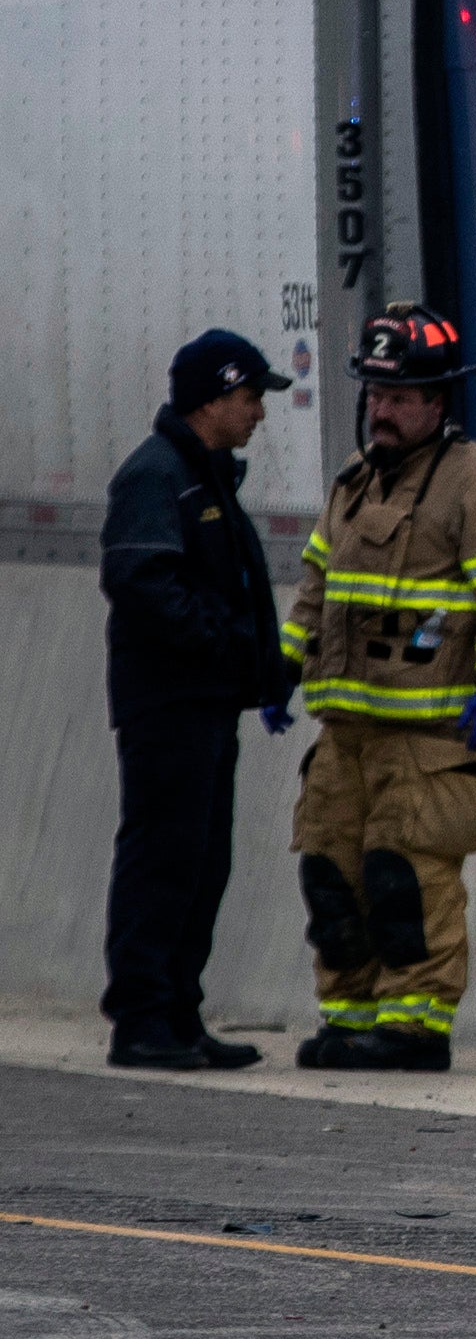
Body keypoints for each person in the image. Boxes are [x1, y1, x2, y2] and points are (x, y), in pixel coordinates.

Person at [279, 304, 476, 1072]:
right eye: (374, 394)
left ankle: (413, 1027)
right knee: (331, 877)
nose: (382, 410)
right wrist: (282, 667)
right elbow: (315, 586)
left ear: (438, 401)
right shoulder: (355, 485)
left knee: (409, 882)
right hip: (346, 737)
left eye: (398, 397)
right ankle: (350, 1017)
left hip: (428, 741)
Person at [96, 330, 299, 1069]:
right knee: (164, 857)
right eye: (250, 398)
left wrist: (262, 672)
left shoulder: (204, 474)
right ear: (214, 399)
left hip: (208, 703)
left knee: (203, 860)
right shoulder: (157, 476)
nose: (259, 413)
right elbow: (143, 583)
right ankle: (142, 1018)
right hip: (169, 705)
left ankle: (179, 1014)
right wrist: (226, 643)